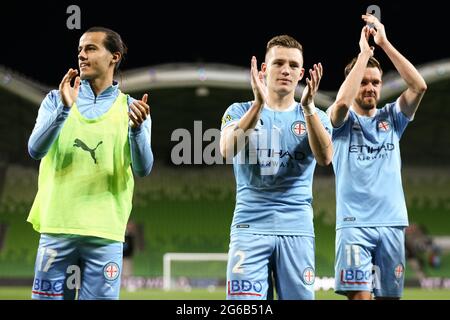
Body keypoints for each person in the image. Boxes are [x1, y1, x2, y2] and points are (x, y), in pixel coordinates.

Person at [27, 27, 153, 300]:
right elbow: (35, 150)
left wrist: (136, 131)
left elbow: (144, 169)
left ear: (114, 57)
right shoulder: (54, 99)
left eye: (91, 49)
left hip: (105, 231)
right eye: (80, 50)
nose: (82, 55)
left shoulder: (133, 109)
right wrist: (63, 109)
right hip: (58, 225)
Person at [220, 35, 333, 300]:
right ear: (263, 69)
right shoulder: (239, 110)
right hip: (249, 227)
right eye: (278, 63)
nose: (286, 70)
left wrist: (308, 108)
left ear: (302, 74)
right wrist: (258, 106)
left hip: (297, 228)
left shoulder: (315, 116)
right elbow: (226, 149)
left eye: (293, 65)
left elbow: (326, 157)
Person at [328, 14, 427, 299]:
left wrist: (383, 44)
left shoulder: (392, 119)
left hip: (392, 224)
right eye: (363, 82)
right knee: (360, 296)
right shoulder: (338, 123)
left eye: (375, 82)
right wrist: (363, 55)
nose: (370, 87)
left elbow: (419, 86)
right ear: (353, 82)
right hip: (353, 225)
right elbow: (342, 103)